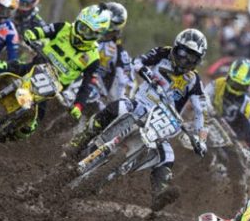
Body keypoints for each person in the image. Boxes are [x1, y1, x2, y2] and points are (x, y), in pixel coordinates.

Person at [68, 28, 209, 211]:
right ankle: (82, 139)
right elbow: (136, 61)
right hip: (141, 105)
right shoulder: (162, 53)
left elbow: (201, 112)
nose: (185, 60)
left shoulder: (194, 80)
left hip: (163, 123)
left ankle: (159, 194)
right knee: (118, 106)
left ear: (198, 61)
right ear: (176, 47)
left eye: (192, 58)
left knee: (168, 156)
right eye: (184, 53)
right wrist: (143, 70)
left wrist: (201, 139)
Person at [0, 4, 110, 150]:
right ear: (77, 21)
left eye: (89, 32)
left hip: (49, 90)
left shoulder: (93, 58)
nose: (82, 33)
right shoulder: (63, 27)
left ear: (97, 35)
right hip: (32, 67)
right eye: (82, 27)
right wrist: (31, 34)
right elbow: (42, 31)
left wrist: (78, 106)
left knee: (30, 127)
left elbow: (86, 85)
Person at [204, 58, 250, 158]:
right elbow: (203, 95)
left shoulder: (246, 104)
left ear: (247, 86)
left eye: (240, 86)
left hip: (229, 136)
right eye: (234, 83)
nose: (235, 88)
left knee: (230, 159)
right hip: (208, 120)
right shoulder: (219, 83)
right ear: (228, 76)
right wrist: (210, 109)